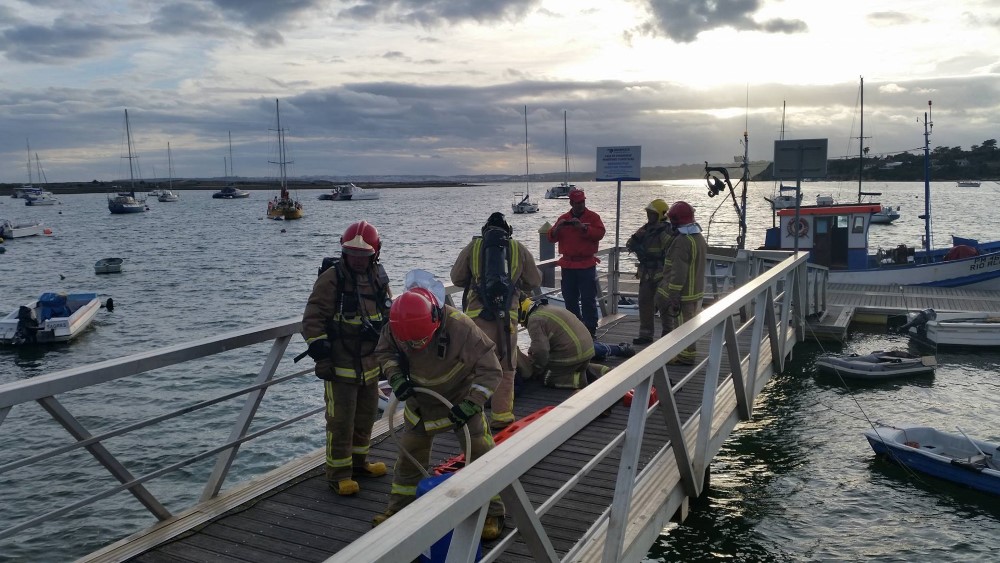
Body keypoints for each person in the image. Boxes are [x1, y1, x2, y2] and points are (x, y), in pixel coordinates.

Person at [373, 285, 506, 541]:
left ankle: (493, 512)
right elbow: (385, 353)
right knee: (410, 457)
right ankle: (399, 511)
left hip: (460, 401)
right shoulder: (395, 326)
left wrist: (472, 403)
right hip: (420, 403)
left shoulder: (462, 328)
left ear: (436, 319)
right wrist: (396, 376)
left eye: (421, 340)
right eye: (410, 343)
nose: (416, 346)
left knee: (480, 452)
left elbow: (492, 370)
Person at [301, 220, 393, 496]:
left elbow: (387, 316)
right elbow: (313, 318)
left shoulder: (378, 277)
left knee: (365, 418)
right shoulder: (332, 279)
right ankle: (338, 473)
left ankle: (358, 463)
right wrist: (321, 355)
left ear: (374, 253)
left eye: (363, 255)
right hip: (340, 365)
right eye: (352, 254)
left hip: (370, 364)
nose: (357, 259)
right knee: (340, 421)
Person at [451, 212, 541, 430]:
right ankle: (501, 417)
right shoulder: (517, 248)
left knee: (475, 368)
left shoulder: (473, 248)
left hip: (476, 318)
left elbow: (456, 278)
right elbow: (535, 280)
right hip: (506, 318)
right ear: (508, 232)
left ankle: (473, 417)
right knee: (506, 367)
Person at [514, 297, 625, 390]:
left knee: (547, 377)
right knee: (576, 367)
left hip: (571, 356)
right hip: (588, 350)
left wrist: (536, 368)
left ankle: (584, 379)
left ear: (521, 313)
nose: (522, 325)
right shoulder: (547, 308)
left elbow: (541, 350)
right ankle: (604, 371)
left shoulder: (534, 320)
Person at [547, 189, 606, 337]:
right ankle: (575, 328)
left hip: (586, 264)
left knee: (588, 299)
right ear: (571, 203)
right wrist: (557, 228)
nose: (580, 205)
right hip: (568, 265)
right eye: (578, 203)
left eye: (582, 202)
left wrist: (583, 227)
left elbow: (600, 234)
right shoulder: (563, 218)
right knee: (570, 299)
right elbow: (551, 238)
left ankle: (590, 330)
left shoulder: (593, 217)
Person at [655, 201, 708, 365]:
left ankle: (685, 356)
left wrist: (674, 295)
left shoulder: (682, 242)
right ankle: (686, 353)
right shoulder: (698, 237)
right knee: (689, 324)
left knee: (682, 326)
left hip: (683, 293)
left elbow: (678, 272)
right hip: (695, 291)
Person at [625, 199, 673, 345]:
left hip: (661, 272)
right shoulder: (645, 229)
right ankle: (645, 335)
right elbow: (629, 244)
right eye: (648, 213)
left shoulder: (667, 230)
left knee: (664, 303)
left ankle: (668, 334)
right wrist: (636, 238)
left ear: (661, 214)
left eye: (652, 214)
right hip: (646, 272)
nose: (649, 216)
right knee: (644, 302)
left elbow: (670, 248)